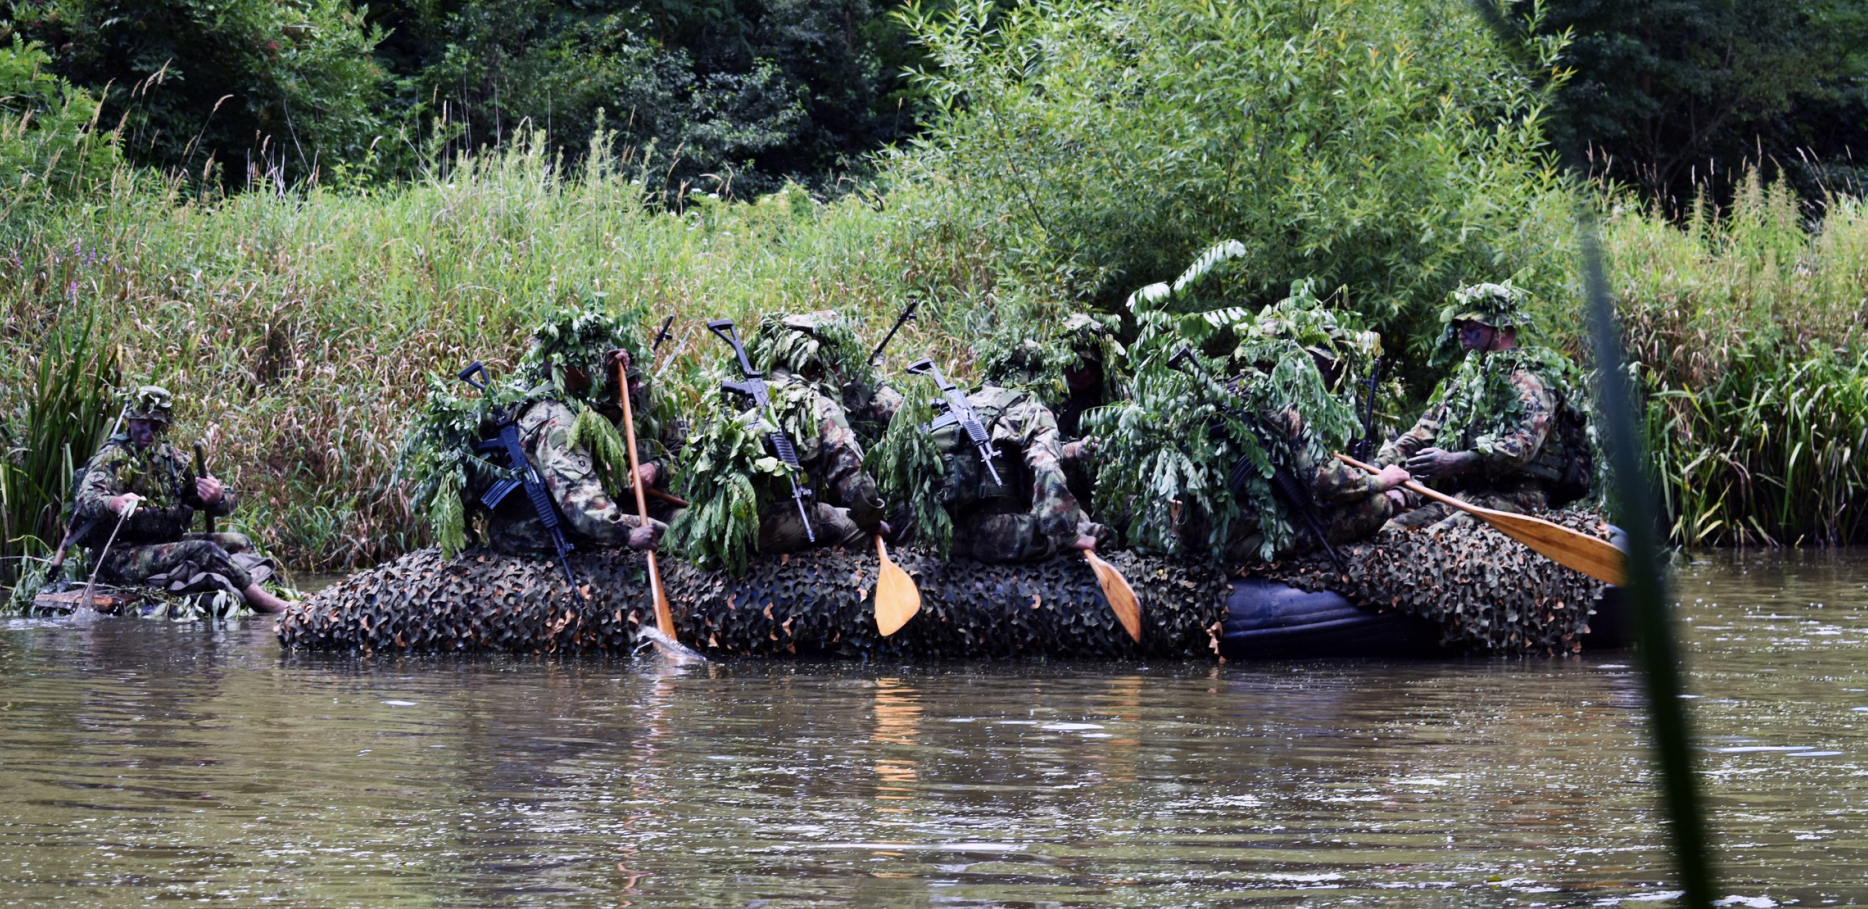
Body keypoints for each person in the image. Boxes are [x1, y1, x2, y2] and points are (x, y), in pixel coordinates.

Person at [1376, 281, 1582, 531]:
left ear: (1500, 329)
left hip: (1517, 500)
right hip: (1467, 497)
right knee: (1392, 531)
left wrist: (1457, 461)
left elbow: (1521, 446)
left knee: (1436, 539)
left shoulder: (1530, 380)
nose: (1462, 335)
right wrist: (1380, 466)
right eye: (1461, 327)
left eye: (1472, 328)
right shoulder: (1468, 382)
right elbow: (1422, 434)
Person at [72, 386, 296, 613]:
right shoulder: (112, 457)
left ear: (166, 427)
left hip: (163, 545)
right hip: (120, 558)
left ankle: (262, 591)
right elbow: (86, 498)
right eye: (142, 423)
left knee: (240, 541)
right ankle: (269, 605)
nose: (148, 432)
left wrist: (217, 497)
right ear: (129, 422)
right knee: (204, 550)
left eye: (156, 425)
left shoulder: (172, 460)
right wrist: (114, 503)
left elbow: (226, 497)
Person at [483, 309, 677, 558]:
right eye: (587, 358)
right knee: (664, 533)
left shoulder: (539, 396)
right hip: (530, 531)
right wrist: (627, 534)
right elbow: (583, 504)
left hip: (523, 522)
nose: (593, 364)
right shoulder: (556, 421)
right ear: (569, 365)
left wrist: (611, 380)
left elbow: (600, 421)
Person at [741, 313, 891, 554]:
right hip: (777, 526)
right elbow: (857, 485)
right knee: (857, 528)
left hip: (733, 527)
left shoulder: (736, 395)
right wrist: (873, 520)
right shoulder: (820, 407)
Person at [921, 376, 1105, 564]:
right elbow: (1046, 466)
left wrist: (1075, 450)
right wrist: (1070, 536)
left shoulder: (964, 404)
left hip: (946, 531)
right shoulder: (1030, 411)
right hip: (995, 531)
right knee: (1077, 526)